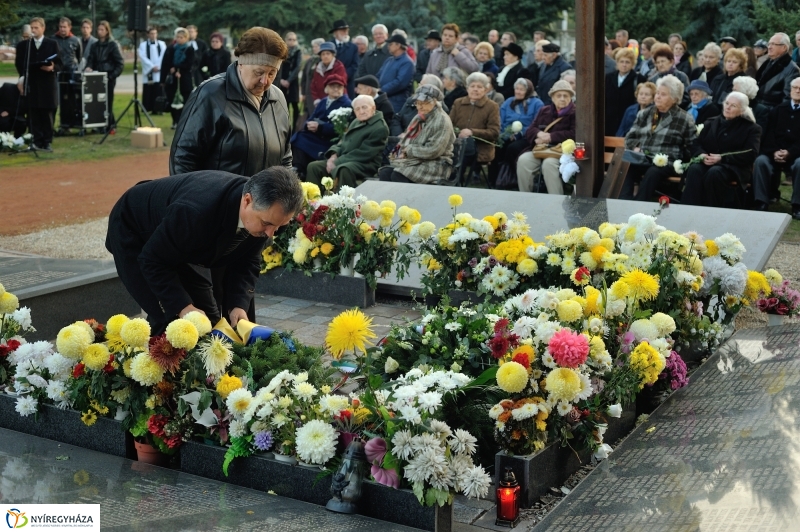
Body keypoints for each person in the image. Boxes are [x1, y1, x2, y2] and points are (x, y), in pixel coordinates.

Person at [106, 167, 304, 335]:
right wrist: (183, 308)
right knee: (173, 318)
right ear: (247, 201)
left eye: (278, 227)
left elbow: (247, 261)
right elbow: (152, 260)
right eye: (267, 224)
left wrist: (238, 305)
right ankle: (145, 372)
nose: (270, 234)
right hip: (135, 231)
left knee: (208, 322)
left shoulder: (264, 214)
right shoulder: (196, 211)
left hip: (180, 242)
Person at [169, 26, 292, 176]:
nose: (265, 81)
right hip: (218, 198)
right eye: (259, 72)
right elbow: (183, 159)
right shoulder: (210, 94)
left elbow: (285, 159)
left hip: (266, 199)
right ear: (241, 63)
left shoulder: (278, 99)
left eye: (272, 73)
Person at [621, 75, 696, 202]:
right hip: (642, 158)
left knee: (653, 172)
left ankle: (638, 205)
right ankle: (623, 201)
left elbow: (691, 145)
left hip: (667, 162)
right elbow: (630, 137)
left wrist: (682, 160)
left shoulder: (684, 118)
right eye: (657, 93)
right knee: (625, 167)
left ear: (674, 99)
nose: (658, 97)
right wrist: (635, 146)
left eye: (663, 94)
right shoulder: (644, 113)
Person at [682, 92, 761, 209]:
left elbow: (750, 153)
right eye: (727, 103)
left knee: (714, 173)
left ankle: (711, 212)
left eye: (733, 106)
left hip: (733, 167)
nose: (728, 107)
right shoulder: (711, 122)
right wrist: (702, 155)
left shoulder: (752, 128)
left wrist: (722, 158)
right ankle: (688, 209)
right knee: (694, 169)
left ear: (742, 110)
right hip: (708, 162)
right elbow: (696, 143)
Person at [306, 95, 388, 190]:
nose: (361, 111)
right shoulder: (356, 121)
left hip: (365, 164)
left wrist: (337, 162)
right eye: (357, 109)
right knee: (313, 167)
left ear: (373, 108)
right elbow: (342, 141)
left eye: (364, 107)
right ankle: (313, 201)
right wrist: (333, 156)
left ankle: (342, 203)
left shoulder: (380, 127)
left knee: (344, 169)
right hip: (344, 159)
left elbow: (364, 153)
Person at [379, 85, 455, 184]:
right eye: (417, 103)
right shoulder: (419, 117)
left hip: (436, 164)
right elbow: (405, 140)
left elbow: (433, 150)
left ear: (435, 101)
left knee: (398, 175)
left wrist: (408, 151)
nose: (419, 106)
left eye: (424, 103)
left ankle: (408, 200)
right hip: (414, 161)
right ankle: (389, 200)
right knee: (385, 172)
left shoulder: (442, 120)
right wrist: (395, 154)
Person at [516, 80, 576, 195]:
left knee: (549, 164)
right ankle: (524, 197)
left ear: (571, 98)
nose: (562, 98)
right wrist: (539, 134)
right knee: (524, 160)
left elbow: (574, 134)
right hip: (542, 149)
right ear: (553, 97)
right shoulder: (545, 110)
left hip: (561, 152)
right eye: (559, 95)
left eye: (566, 95)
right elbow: (530, 130)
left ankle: (556, 201)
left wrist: (550, 137)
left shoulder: (575, 113)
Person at [751, 78, 800, 217]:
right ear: (790, 90)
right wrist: (774, 151)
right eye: (795, 87)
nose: (797, 91)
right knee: (761, 162)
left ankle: (797, 205)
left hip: (796, 155)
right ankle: (761, 201)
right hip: (774, 152)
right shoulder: (778, 109)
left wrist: (790, 152)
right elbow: (768, 134)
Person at [291, 74, 351, 176]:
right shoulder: (324, 101)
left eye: (339, 86)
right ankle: (298, 167)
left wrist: (321, 127)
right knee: (298, 136)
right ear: (326, 88)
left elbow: (341, 129)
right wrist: (308, 125)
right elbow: (311, 118)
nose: (336, 89)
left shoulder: (346, 104)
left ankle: (300, 169)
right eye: (333, 86)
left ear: (343, 88)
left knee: (301, 139)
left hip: (330, 140)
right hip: (317, 135)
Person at [16, 17, 61, 151]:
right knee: (33, 113)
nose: (33, 30)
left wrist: (52, 67)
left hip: (47, 83)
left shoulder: (52, 44)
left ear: (43, 28)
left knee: (46, 113)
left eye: (36, 27)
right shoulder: (25, 45)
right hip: (32, 83)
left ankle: (46, 142)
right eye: (32, 28)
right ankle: (36, 140)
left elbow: (60, 63)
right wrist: (23, 77)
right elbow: (19, 63)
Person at [488, 78, 543, 187]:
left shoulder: (537, 103)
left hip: (527, 137)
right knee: (495, 147)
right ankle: (493, 181)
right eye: (516, 89)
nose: (518, 91)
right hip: (506, 134)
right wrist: (505, 134)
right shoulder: (509, 102)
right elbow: (500, 120)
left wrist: (520, 133)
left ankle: (513, 178)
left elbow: (536, 124)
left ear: (528, 91)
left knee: (512, 148)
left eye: (521, 89)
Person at [449, 72, 500, 170]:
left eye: (479, 87)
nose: (475, 89)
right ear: (467, 88)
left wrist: (472, 132)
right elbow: (449, 125)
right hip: (456, 144)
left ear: (485, 90)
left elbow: (494, 132)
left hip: (479, 148)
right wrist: (459, 132)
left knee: (459, 156)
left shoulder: (492, 106)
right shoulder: (458, 103)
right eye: (472, 86)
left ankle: (454, 181)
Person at [85, 20, 124, 131]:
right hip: (96, 77)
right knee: (96, 101)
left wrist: (111, 76)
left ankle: (109, 124)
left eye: (102, 30)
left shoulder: (113, 45)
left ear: (107, 31)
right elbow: (91, 60)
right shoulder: (94, 45)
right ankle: (98, 123)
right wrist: (89, 67)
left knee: (107, 101)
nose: (100, 32)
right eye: (98, 29)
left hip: (108, 77)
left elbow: (120, 63)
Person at [604, 47, 644, 136]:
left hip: (629, 122)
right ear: (617, 62)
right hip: (609, 122)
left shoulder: (639, 79)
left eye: (627, 62)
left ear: (633, 64)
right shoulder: (609, 78)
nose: (624, 65)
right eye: (621, 61)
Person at [161, 27, 195, 129]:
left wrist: (178, 69)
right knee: (172, 100)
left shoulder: (189, 49)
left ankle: (184, 122)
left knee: (185, 101)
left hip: (184, 78)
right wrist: (169, 72)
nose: (179, 39)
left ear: (186, 38)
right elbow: (166, 62)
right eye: (178, 37)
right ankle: (175, 121)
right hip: (173, 80)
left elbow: (190, 63)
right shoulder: (171, 48)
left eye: (181, 37)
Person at [756, 33, 800, 111]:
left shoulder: (792, 69)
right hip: (759, 109)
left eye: (773, 44)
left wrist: (777, 115)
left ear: (784, 47)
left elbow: (788, 98)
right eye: (769, 44)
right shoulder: (768, 62)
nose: (769, 47)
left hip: (772, 112)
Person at [377, 34, 414, 113]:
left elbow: (400, 82)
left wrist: (381, 90)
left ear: (398, 45)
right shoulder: (389, 60)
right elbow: (379, 75)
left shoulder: (407, 62)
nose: (388, 46)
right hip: (384, 99)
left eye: (390, 44)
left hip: (397, 102)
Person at [329, 19, 360, 98]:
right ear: (335, 32)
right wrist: (334, 78)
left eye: (347, 30)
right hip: (330, 83)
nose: (346, 33)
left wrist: (343, 76)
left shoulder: (353, 47)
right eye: (343, 30)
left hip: (347, 83)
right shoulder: (329, 46)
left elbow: (355, 65)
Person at [310, 41, 347, 106]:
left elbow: (340, 85)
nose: (325, 56)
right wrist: (317, 99)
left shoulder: (339, 67)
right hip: (320, 101)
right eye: (323, 54)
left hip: (337, 100)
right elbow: (313, 85)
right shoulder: (317, 67)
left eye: (328, 54)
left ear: (333, 55)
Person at [139, 28, 167, 113]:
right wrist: (151, 67)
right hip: (149, 71)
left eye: (155, 33)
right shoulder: (143, 45)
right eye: (151, 33)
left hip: (158, 71)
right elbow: (143, 57)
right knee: (148, 90)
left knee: (158, 89)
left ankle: (159, 109)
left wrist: (158, 66)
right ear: (148, 34)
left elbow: (163, 56)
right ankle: (147, 108)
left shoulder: (162, 44)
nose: (153, 35)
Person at [278, 32, 301, 123]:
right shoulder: (281, 51)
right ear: (286, 40)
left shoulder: (298, 51)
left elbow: (298, 67)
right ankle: (284, 127)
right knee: (284, 105)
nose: (292, 42)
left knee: (295, 105)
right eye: (290, 39)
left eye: (294, 40)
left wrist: (289, 80)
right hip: (281, 80)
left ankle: (295, 128)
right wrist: (280, 80)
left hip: (293, 82)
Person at [301, 38, 324, 119]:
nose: (314, 48)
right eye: (313, 47)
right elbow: (304, 77)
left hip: (318, 94)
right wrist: (303, 93)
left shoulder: (323, 61)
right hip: (308, 93)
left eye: (316, 46)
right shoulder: (310, 61)